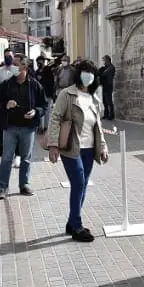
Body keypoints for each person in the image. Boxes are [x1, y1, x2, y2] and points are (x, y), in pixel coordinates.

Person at [47, 59, 109, 243]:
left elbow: (97, 125)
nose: (88, 75)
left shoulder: (93, 97)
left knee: (83, 184)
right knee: (79, 183)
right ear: (78, 74)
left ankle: (71, 221)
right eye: (85, 71)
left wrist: (103, 147)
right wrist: (52, 145)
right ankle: (77, 226)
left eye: (91, 72)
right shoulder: (67, 94)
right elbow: (55, 118)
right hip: (71, 148)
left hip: (90, 149)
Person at [0, 55, 47, 199]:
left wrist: (36, 112)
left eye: (17, 64)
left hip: (28, 128)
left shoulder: (35, 85)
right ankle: (2, 187)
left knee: (26, 158)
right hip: (10, 127)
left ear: (25, 67)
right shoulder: (6, 85)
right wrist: (6, 104)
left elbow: (44, 105)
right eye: (13, 64)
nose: (13, 67)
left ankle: (24, 185)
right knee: (6, 158)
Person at [98, 55, 116, 120]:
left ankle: (111, 115)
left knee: (109, 101)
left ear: (108, 60)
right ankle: (106, 114)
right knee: (104, 101)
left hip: (108, 86)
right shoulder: (106, 67)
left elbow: (104, 74)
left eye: (104, 60)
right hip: (105, 86)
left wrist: (102, 72)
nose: (104, 62)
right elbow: (100, 72)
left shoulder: (111, 67)